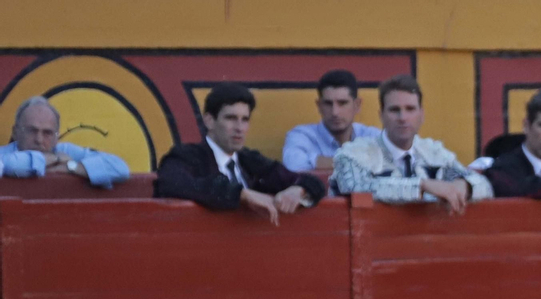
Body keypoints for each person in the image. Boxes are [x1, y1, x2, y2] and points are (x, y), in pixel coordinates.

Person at [154, 84, 325, 224]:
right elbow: (172, 183)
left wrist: (298, 190)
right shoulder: (186, 156)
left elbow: (313, 182)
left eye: (245, 119)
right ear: (209, 121)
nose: (239, 128)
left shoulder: (250, 161)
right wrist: (242, 194)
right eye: (230, 118)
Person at [332, 75, 491, 212]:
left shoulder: (434, 154)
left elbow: (485, 186)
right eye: (395, 110)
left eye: (410, 109)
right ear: (381, 116)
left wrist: (465, 185)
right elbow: (357, 187)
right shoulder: (355, 154)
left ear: (421, 115)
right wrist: (422, 186)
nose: (403, 117)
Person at [0, 95, 130, 188]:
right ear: (15, 132)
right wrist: (54, 160)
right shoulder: (3, 154)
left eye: (47, 133)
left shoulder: (65, 151)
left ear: (56, 137)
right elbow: (11, 165)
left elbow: (120, 168)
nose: (39, 140)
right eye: (32, 131)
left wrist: (71, 167)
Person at [282, 69, 383, 172]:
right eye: (328, 103)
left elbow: (394, 162)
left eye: (342, 103)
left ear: (357, 105)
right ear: (319, 106)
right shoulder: (302, 135)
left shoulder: (372, 136)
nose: (335, 112)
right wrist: (362, 161)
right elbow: (293, 165)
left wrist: (318, 161)